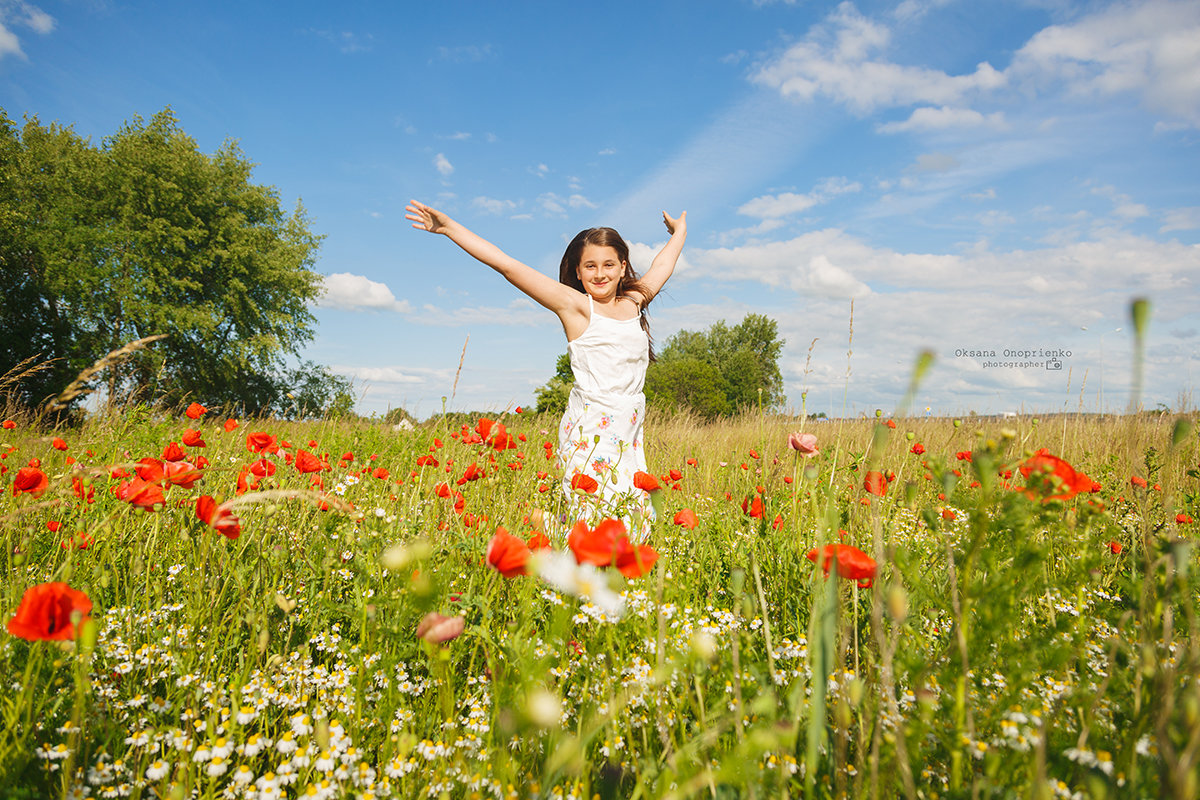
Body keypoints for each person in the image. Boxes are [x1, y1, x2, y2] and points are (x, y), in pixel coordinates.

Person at [405, 200, 686, 529]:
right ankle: (549, 531)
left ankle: (549, 526)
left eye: (608, 264)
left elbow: (663, 265)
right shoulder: (576, 307)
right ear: (578, 273)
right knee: (597, 519)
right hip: (592, 427)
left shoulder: (634, 301)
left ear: (623, 267)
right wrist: (450, 228)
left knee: (636, 518)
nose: (600, 274)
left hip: (628, 427)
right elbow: (509, 266)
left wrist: (679, 232)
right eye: (590, 266)